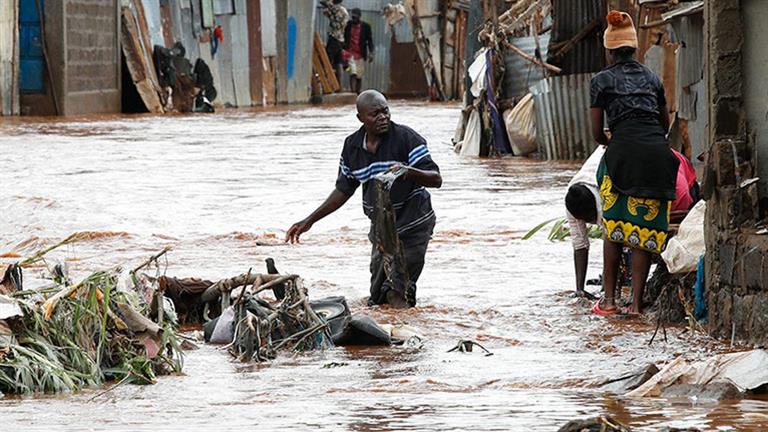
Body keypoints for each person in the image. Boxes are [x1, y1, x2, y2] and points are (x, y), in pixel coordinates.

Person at [286, 90, 442, 308]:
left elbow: (436, 178)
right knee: (377, 297)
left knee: (399, 289)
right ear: (360, 118)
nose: (383, 117)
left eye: (385, 111)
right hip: (381, 229)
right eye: (375, 114)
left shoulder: (407, 139)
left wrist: (408, 171)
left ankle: (404, 333)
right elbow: (343, 189)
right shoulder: (352, 147)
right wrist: (309, 220)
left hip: (414, 223)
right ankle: (383, 334)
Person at [589, 11, 680, 316]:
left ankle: (610, 301)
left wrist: (616, 141)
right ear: (633, 47)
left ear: (609, 49)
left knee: (614, 228)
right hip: (657, 154)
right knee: (642, 232)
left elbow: (595, 133)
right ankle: (637, 305)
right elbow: (665, 123)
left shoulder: (601, 80)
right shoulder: (652, 78)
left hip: (622, 154)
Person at [566, 147, 697, 300]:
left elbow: (615, 238)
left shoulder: (606, 194)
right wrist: (579, 290)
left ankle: (630, 296)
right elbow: (579, 244)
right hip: (632, 167)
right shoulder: (572, 201)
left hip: (671, 178)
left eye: (591, 218)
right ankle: (617, 292)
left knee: (633, 237)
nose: (592, 223)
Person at [344, 8, 374, 94]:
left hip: (360, 54)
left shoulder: (366, 27)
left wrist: (371, 53)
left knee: (359, 76)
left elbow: (370, 41)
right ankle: (353, 93)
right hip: (350, 53)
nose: (353, 19)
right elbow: (344, 37)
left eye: (355, 18)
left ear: (359, 17)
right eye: (352, 17)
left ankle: (358, 93)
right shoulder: (348, 25)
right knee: (353, 73)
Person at [321, 0, 348, 87]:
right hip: (340, 39)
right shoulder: (342, 10)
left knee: (327, 60)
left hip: (334, 38)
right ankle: (339, 85)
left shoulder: (337, 9)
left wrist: (327, 3)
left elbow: (325, 3)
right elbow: (328, 14)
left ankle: (328, 84)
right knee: (338, 62)